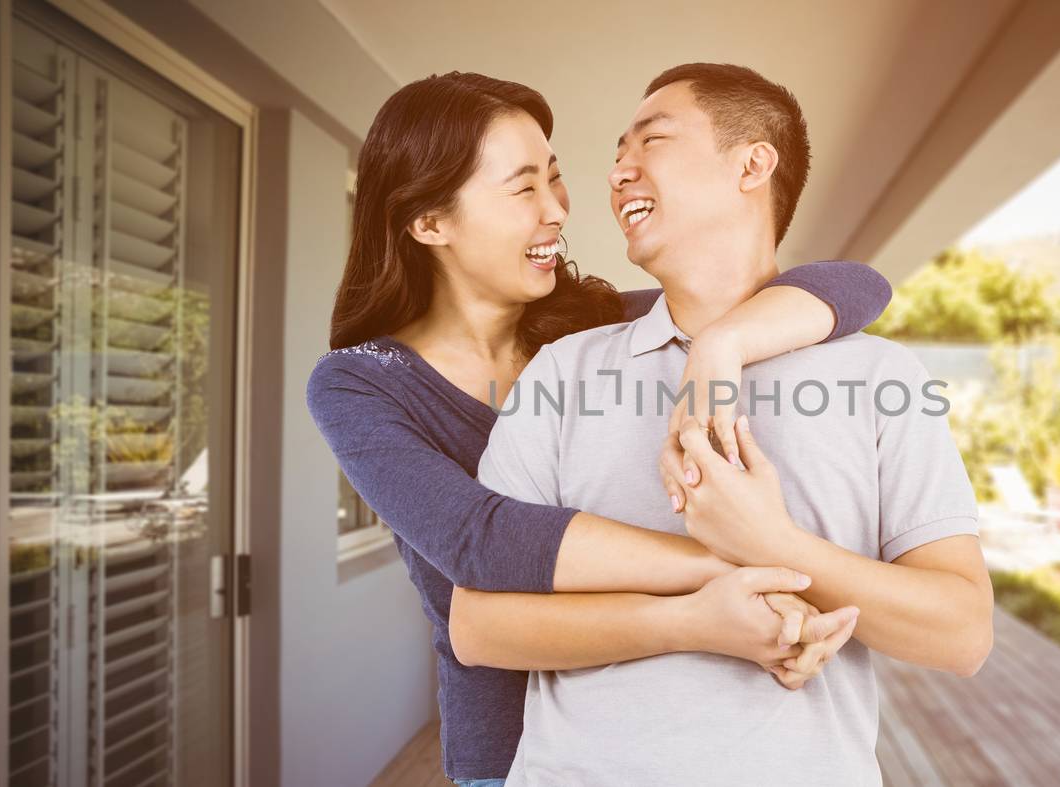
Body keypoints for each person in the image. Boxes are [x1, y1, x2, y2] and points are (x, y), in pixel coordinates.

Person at [305, 72, 889, 786]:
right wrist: (744, 568)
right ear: (430, 223)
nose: (558, 209)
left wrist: (720, 347)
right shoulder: (359, 383)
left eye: (554, 179)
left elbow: (858, 286)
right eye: (524, 189)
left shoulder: (590, 324)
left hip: (645, 729)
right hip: (510, 749)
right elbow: (482, 540)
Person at [459, 63, 993, 786]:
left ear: (752, 163)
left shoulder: (882, 379)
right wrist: (699, 611)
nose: (618, 171)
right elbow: (479, 625)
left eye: (651, 140)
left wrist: (771, 544)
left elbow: (963, 632)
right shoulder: (562, 373)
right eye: (618, 153)